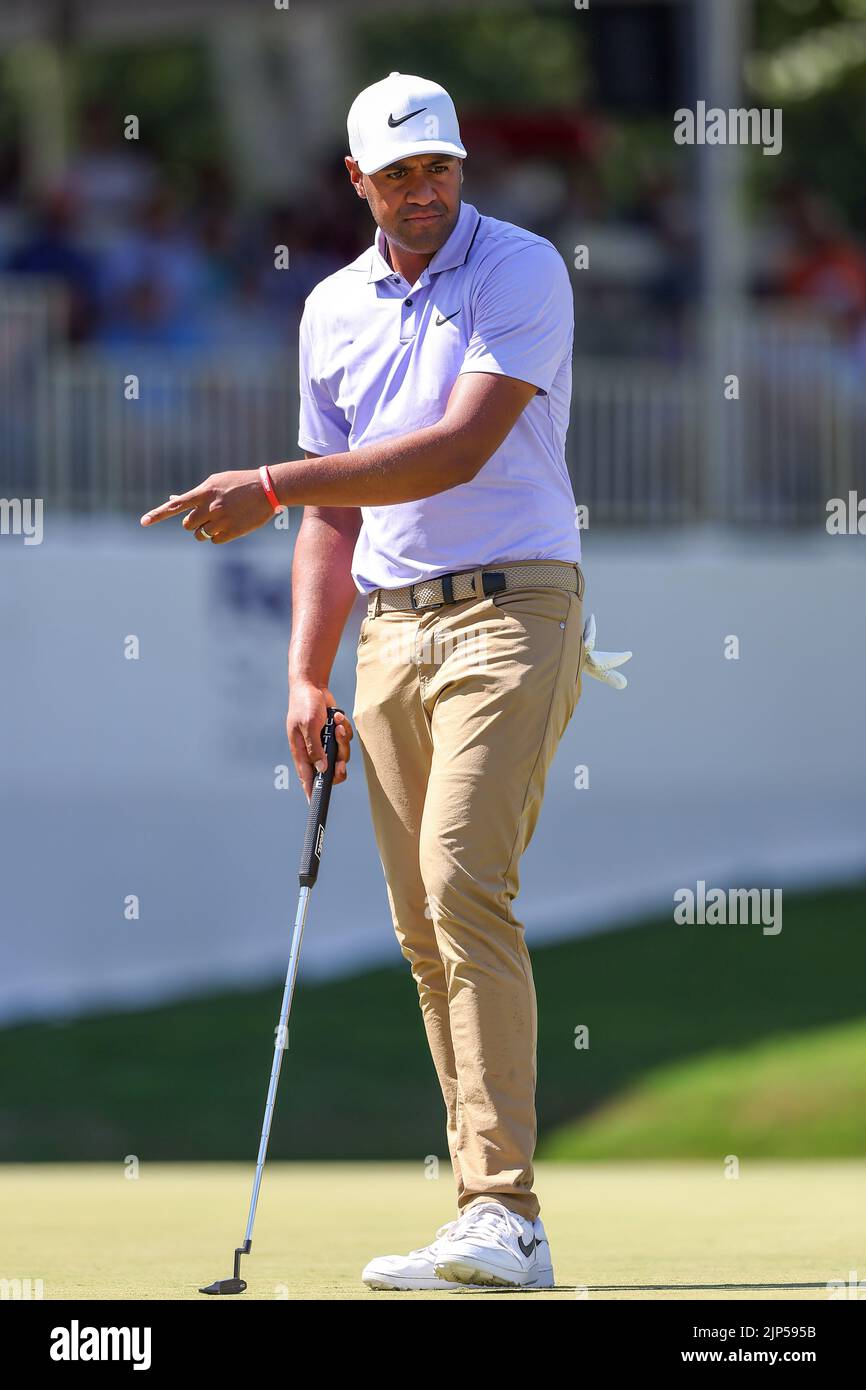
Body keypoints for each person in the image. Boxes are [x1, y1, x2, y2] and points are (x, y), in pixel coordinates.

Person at [141, 72, 630, 1290]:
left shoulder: (518, 269)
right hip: (390, 634)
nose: (424, 191)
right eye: (398, 174)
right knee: (423, 929)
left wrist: (273, 482)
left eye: (440, 168)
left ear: (461, 169)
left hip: (515, 606)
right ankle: (480, 1209)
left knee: (464, 878)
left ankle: (503, 1211)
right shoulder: (333, 310)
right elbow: (337, 510)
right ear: (356, 183)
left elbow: (458, 447)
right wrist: (304, 675)